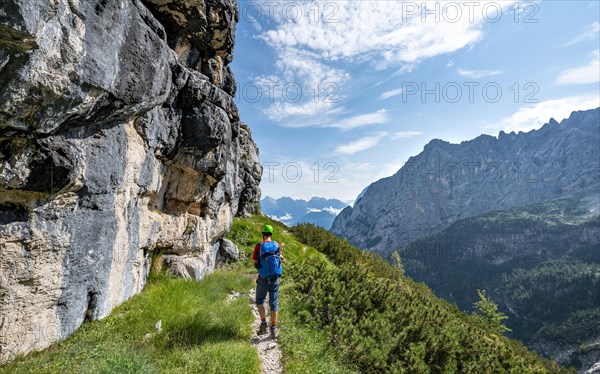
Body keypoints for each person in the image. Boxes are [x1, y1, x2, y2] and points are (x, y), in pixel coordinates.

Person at [252, 224, 284, 338]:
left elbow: (254, 262)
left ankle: (264, 324)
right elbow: (280, 259)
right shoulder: (276, 245)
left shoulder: (259, 246)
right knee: (274, 303)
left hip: (263, 279)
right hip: (275, 279)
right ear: (271, 234)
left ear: (263, 234)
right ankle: (274, 329)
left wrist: (260, 268)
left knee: (260, 300)